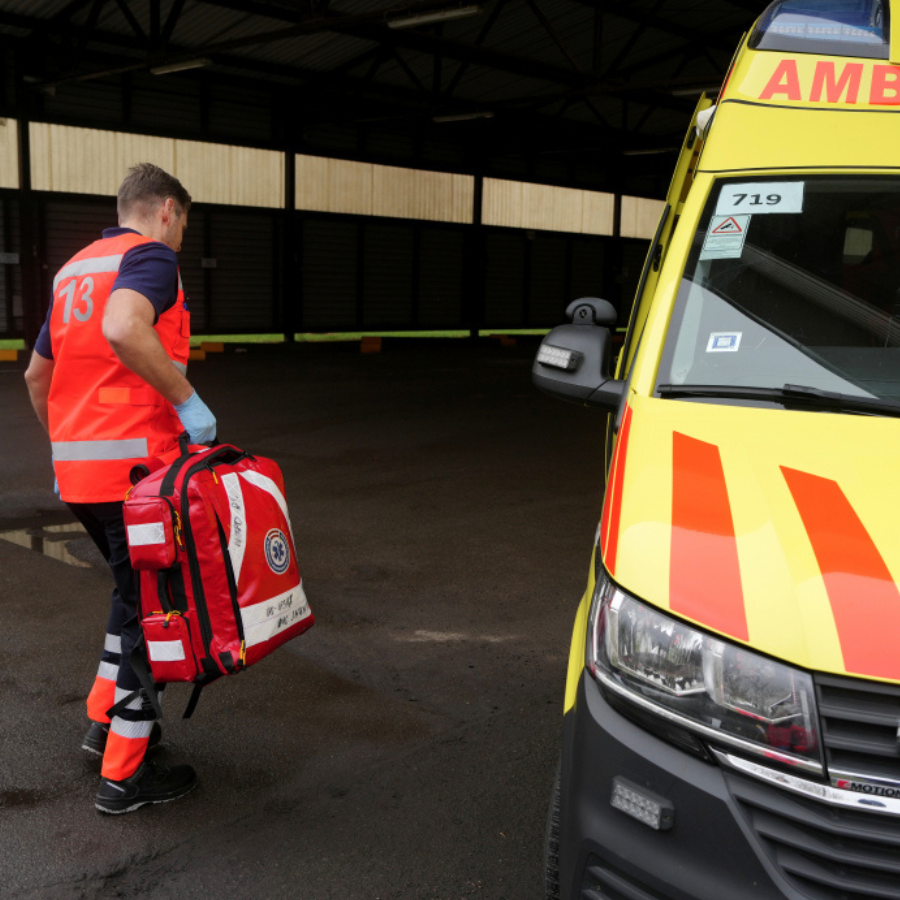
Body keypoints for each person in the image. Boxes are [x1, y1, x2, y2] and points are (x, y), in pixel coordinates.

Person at [24, 162, 216, 814]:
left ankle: (101, 720)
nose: (182, 234)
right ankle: (124, 777)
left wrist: (62, 446)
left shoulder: (74, 269)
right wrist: (188, 402)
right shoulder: (151, 258)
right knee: (153, 615)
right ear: (166, 209)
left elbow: (35, 376)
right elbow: (124, 326)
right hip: (136, 477)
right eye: (184, 221)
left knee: (129, 595)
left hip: (81, 477)